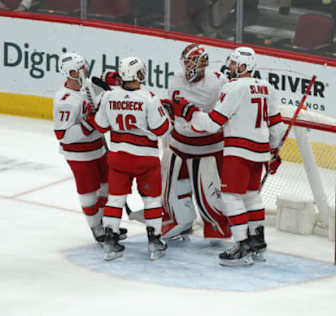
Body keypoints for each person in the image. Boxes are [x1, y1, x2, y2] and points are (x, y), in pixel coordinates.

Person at [173, 47, 284, 266]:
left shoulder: (233, 88)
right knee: (252, 196)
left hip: (238, 150)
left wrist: (190, 112)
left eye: (233, 63)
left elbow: (214, 123)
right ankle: (258, 242)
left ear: (244, 66)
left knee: (231, 197)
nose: (230, 67)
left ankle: (242, 244)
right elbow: (277, 128)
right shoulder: (267, 88)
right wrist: (273, 151)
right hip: (259, 151)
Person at [89, 56, 171, 261]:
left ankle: (110, 242)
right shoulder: (149, 98)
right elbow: (162, 129)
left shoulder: (109, 97)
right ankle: (154, 241)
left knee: (115, 200)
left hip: (118, 159)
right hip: (146, 159)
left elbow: (100, 127)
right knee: (152, 200)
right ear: (138, 74)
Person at [53, 53, 126, 245]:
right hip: (79, 155)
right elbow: (63, 136)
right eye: (81, 67)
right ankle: (96, 228)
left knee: (107, 186)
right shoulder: (65, 100)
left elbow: (103, 95)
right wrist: (90, 124)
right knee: (88, 193)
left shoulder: (87, 87)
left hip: (98, 147)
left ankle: (105, 223)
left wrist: (110, 80)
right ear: (71, 72)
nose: (86, 69)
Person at [162, 43, 231, 241]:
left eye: (192, 62)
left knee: (210, 193)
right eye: (186, 62)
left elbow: (224, 114)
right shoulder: (175, 79)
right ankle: (180, 222)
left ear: (203, 64)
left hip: (210, 148)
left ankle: (217, 226)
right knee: (173, 186)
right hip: (179, 144)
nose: (188, 67)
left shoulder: (218, 82)